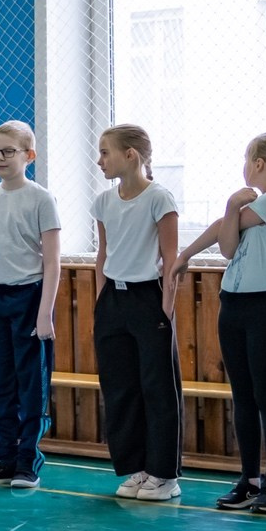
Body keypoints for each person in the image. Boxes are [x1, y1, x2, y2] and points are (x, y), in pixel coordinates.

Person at [173, 133, 266, 513]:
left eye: (247, 160)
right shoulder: (260, 204)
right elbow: (225, 235)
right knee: (243, 396)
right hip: (235, 305)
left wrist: (231, 206)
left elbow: (226, 243)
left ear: (259, 163)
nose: (245, 168)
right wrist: (186, 254)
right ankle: (250, 479)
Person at [91, 124, 183, 501]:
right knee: (120, 387)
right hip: (113, 299)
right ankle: (137, 467)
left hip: (149, 298)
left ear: (131, 155)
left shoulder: (160, 198)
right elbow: (104, 254)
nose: (100, 161)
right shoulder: (103, 202)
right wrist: (102, 299)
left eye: (106, 152)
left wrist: (165, 307)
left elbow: (171, 256)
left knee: (157, 387)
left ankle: (164, 474)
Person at [0, 121, 61, 489]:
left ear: (29, 156)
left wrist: (44, 314)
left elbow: (52, 261)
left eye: (8, 151)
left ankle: (28, 460)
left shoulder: (41, 198)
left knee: (30, 383)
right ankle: (4, 457)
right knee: (1, 382)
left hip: (28, 298)